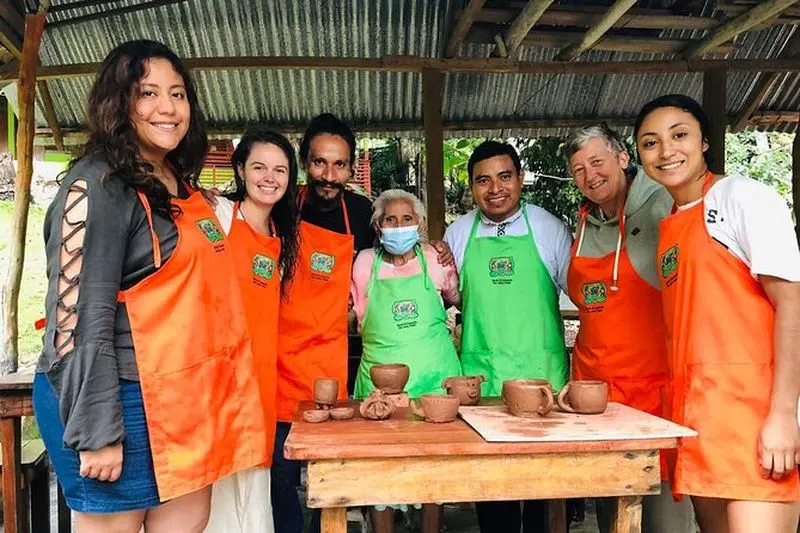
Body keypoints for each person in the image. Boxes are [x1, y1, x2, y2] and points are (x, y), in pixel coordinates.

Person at [32, 40, 267, 533]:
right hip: (120, 399)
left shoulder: (179, 182)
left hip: (188, 400)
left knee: (188, 522)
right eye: (148, 93)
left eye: (178, 94)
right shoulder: (96, 185)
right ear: (118, 103)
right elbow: (76, 318)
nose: (168, 107)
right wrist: (97, 431)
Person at [272, 113, 453, 533]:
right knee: (281, 471)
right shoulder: (282, 205)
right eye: (319, 163)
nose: (328, 175)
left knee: (333, 472)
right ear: (304, 162)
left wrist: (437, 250)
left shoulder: (360, 212)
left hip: (332, 358)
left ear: (352, 167)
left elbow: (397, 261)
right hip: (279, 355)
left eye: (338, 165)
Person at [634, 94, 800, 533]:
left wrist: (783, 416)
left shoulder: (742, 198)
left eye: (679, 135)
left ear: (705, 141)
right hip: (700, 423)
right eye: (650, 143)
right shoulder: (670, 226)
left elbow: (792, 302)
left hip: (755, 421)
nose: (666, 151)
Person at [563, 124, 694, 533]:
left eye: (597, 162)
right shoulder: (584, 223)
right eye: (579, 170)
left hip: (651, 391)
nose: (590, 176)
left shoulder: (663, 205)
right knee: (612, 513)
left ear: (623, 158)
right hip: (596, 393)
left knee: (662, 518)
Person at [444, 140, 572, 533]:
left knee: (544, 493)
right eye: (483, 180)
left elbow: (580, 293)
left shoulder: (550, 228)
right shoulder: (459, 234)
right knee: (492, 490)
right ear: (471, 187)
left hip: (542, 381)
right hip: (484, 380)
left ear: (521, 179)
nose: (495, 188)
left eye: (504, 176)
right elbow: (449, 297)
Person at [204, 127, 300, 533]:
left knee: (253, 490)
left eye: (280, 170)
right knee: (214, 489)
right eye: (259, 167)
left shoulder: (282, 237)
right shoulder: (218, 216)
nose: (269, 177)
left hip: (258, 379)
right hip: (215, 381)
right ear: (240, 169)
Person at [351, 188, 461, 533]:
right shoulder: (365, 262)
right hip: (379, 388)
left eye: (407, 219)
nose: (399, 226)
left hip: (434, 383)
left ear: (420, 224)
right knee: (380, 474)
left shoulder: (434, 258)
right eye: (390, 220)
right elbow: (352, 314)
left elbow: (458, 298)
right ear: (378, 226)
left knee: (434, 477)